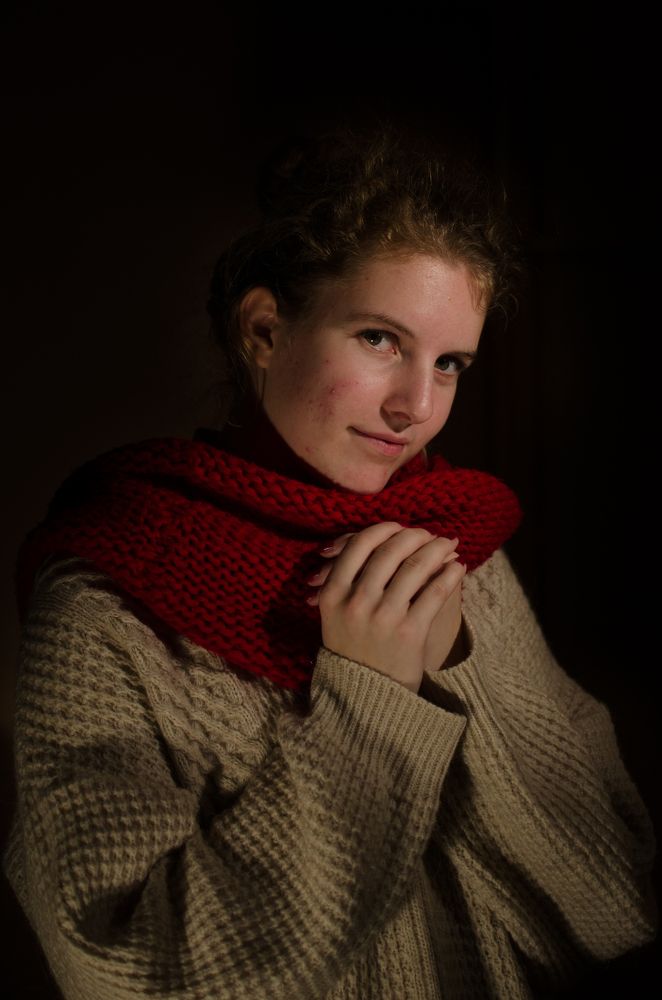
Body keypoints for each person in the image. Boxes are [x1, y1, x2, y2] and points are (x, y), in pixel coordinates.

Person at [3, 125, 656, 999]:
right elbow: (125, 974)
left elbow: (617, 907)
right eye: (380, 339)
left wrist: (457, 665)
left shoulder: (458, 554)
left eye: (449, 363)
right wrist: (371, 709)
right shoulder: (106, 607)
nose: (416, 406)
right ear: (265, 329)